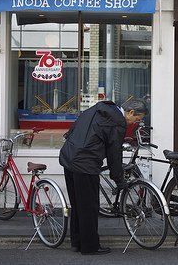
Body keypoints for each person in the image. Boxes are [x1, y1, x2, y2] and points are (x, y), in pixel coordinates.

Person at [59, 98, 148, 255]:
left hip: (69, 157)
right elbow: (114, 154)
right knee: (89, 207)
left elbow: (73, 129)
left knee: (77, 204)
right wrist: (119, 179)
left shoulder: (98, 109)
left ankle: (77, 242)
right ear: (131, 112)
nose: (135, 123)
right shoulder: (118, 122)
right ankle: (90, 247)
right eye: (137, 119)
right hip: (85, 163)